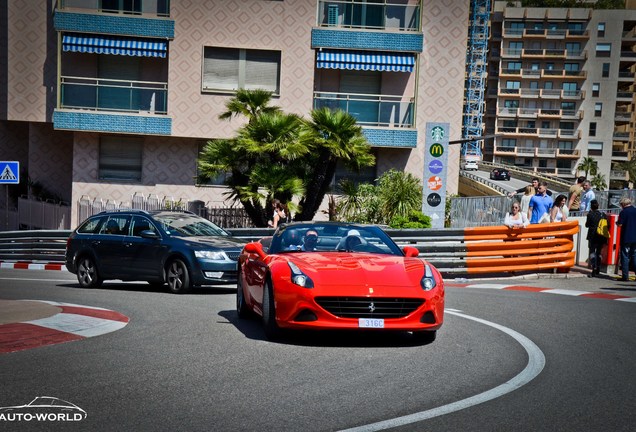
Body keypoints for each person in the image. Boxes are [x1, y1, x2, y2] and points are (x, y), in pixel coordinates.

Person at [585, 199, 607, 278]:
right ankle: (598, 267)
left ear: (591, 206)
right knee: (599, 252)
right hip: (601, 236)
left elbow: (587, 225)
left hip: (592, 235)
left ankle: (593, 267)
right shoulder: (603, 214)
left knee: (592, 252)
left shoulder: (590, 214)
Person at [617, 197, 636, 281]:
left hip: (626, 237)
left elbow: (620, 224)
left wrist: (617, 223)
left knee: (625, 256)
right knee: (635, 256)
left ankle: (625, 276)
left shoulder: (623, 212)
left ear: (623, 204)